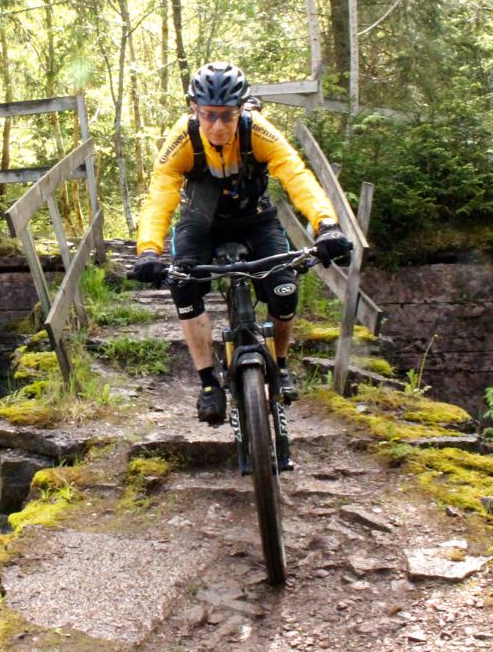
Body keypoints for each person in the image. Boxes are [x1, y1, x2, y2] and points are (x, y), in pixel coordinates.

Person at [129, 62, 353, 425]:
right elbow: (160, 195)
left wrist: (326, 226)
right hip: (200, 223)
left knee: (283, 288)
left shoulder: (258, 131)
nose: (217, 126)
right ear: (194, 109)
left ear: (242, 110)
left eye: (227, 116)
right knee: (184, 289)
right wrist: (149, 250)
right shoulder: (182, 139)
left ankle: (279, 365)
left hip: (255, 218)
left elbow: (295, 175)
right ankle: (208, 384)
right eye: (208, 115)